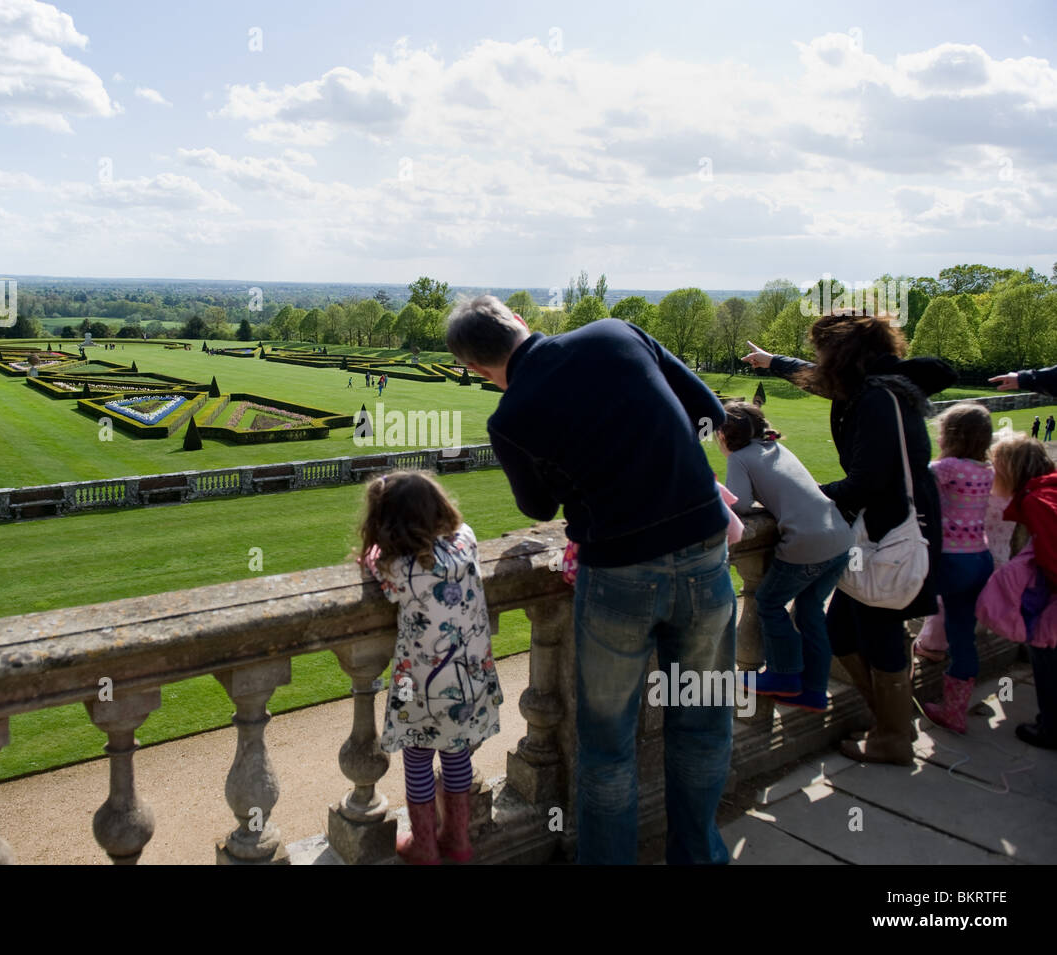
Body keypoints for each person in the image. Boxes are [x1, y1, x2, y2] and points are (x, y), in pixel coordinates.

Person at [447, 294, 735, 865]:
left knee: (606, 747)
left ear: (476, 368)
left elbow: (538, 503)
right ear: (520, 323)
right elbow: (709, 414)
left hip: (618, 573)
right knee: (703, 722)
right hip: (704, 553)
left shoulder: (510, 417)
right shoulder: (614, 333)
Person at [742, 309, 957, 766]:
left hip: (888, 526)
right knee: (843, 628)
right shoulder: (876, 384)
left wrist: (800, 499)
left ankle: (894, 737)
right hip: (883, 524)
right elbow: (821, 381)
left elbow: (867, 481)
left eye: (823, 349)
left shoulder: (877, 398)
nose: (818, 358)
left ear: (842, 353)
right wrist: (773, 362)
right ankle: (891, 724)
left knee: (874, 627)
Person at [357, 471, 503, 864]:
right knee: (457, 756)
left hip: (422, 687)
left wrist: (373, 548)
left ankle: (424, 845)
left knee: (418, 760)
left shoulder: (399, 568)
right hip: (470, 680)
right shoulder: (466, 540)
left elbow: (373, 560)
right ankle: (457, 839)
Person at [717, 402, 853, 712]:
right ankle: (814, 691)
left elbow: (737, 504)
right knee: (810, 611)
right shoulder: (777, 449)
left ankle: (783, 675)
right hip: (840, 539)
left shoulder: (740, 458)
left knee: (768, 602)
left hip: (806, 545)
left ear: (725, 434)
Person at [920, 404, 995, 734]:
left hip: (950, 559)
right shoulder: (986, 469)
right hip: (980, 558)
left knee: (892, 605)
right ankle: (955, 710)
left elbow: (915, 486)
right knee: (963, 635)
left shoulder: (946, 467)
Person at [989, 434, 1057, 749]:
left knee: (1045, 651)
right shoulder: (1050, 486)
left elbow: (1052, 555)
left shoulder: (1035, 500)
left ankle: (1050, 727)